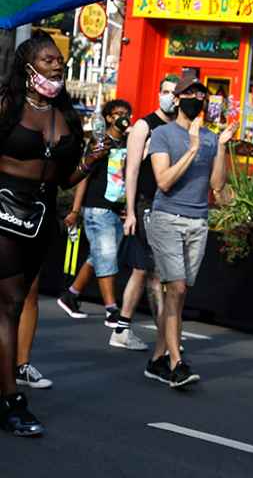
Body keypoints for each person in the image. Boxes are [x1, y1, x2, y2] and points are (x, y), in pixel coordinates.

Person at [0, 31, 97, 435]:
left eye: (59, 59)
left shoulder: (66, 115)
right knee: (6, 304)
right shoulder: (7, 107)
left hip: (39, 219)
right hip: (3, 210)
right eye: (47, 59)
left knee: (17, 304)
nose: (57, 64)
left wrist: (93, 156)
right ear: (27, 66)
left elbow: (64, 178)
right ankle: (11, 400)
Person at [145, 74, 236, 388]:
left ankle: (157, 357)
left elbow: (217, 186)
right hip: (167, 217)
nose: (196, 98)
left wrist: (220, 147)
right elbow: (164, 181)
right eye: (190, 93)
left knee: (178, 296)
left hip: (198, 221)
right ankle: (176, 363)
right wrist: (192, 148)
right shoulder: (163, 134)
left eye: (201, 94)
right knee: (178, 289)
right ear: (178, 99)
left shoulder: (210, 138)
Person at [115, 75, 179, 351]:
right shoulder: (145, 125)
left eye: (174, 93)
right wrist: (129, 211)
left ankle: (122, 327)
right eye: (164, 91)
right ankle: (166, 342)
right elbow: (130, 170)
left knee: (142, 270)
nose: (168, 97)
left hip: (169, 206)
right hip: (146, 205)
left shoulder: (179, 128)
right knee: (153, 272)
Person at [57, 99, 133, 328]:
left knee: (99, 256)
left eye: (126, 113)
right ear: (108, 118)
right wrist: (75, 210)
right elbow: (84, 178)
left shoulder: (130, 143)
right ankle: (112, 310)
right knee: (107, 255)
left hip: (116, 209)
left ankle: (71, 295)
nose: (122, 117)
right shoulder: (100, 143)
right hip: (97, 208)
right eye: (117, 113)